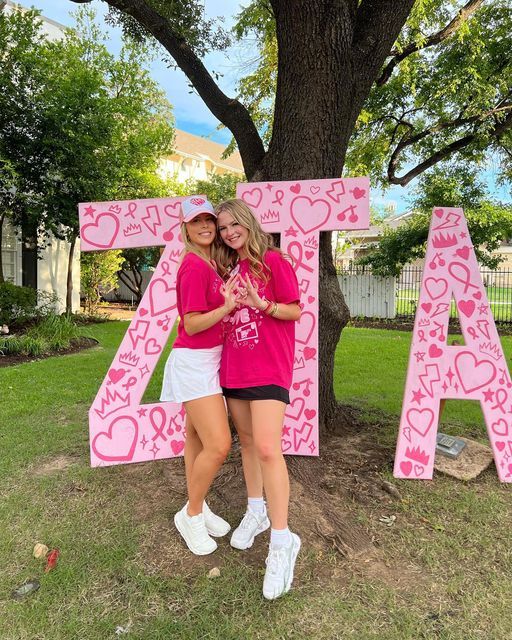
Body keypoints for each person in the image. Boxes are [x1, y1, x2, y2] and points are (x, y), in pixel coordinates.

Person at [215, 198, 302, 600]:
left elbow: (295, 310)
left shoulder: (273, 260)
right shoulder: (230, 268)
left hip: (269, 367)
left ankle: (283, 542)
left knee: (268, 447)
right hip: (234, 367)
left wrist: (261, 304)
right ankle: (256, 511)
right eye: (222, 228)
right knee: (247, 443)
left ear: (248, 222)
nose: (229, 232)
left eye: (234, 224)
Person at [160, 196, 238, 556]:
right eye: (197, 222)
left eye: (210, 220)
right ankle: (190, 515)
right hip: (194, 362)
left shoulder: (209, 262)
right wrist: (225, 308)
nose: (206, 227)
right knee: (219, 444)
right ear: (186, 229)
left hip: (207, 361)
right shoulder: (193, 266)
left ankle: (199, 502)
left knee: (195, 437)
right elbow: (190, 323)